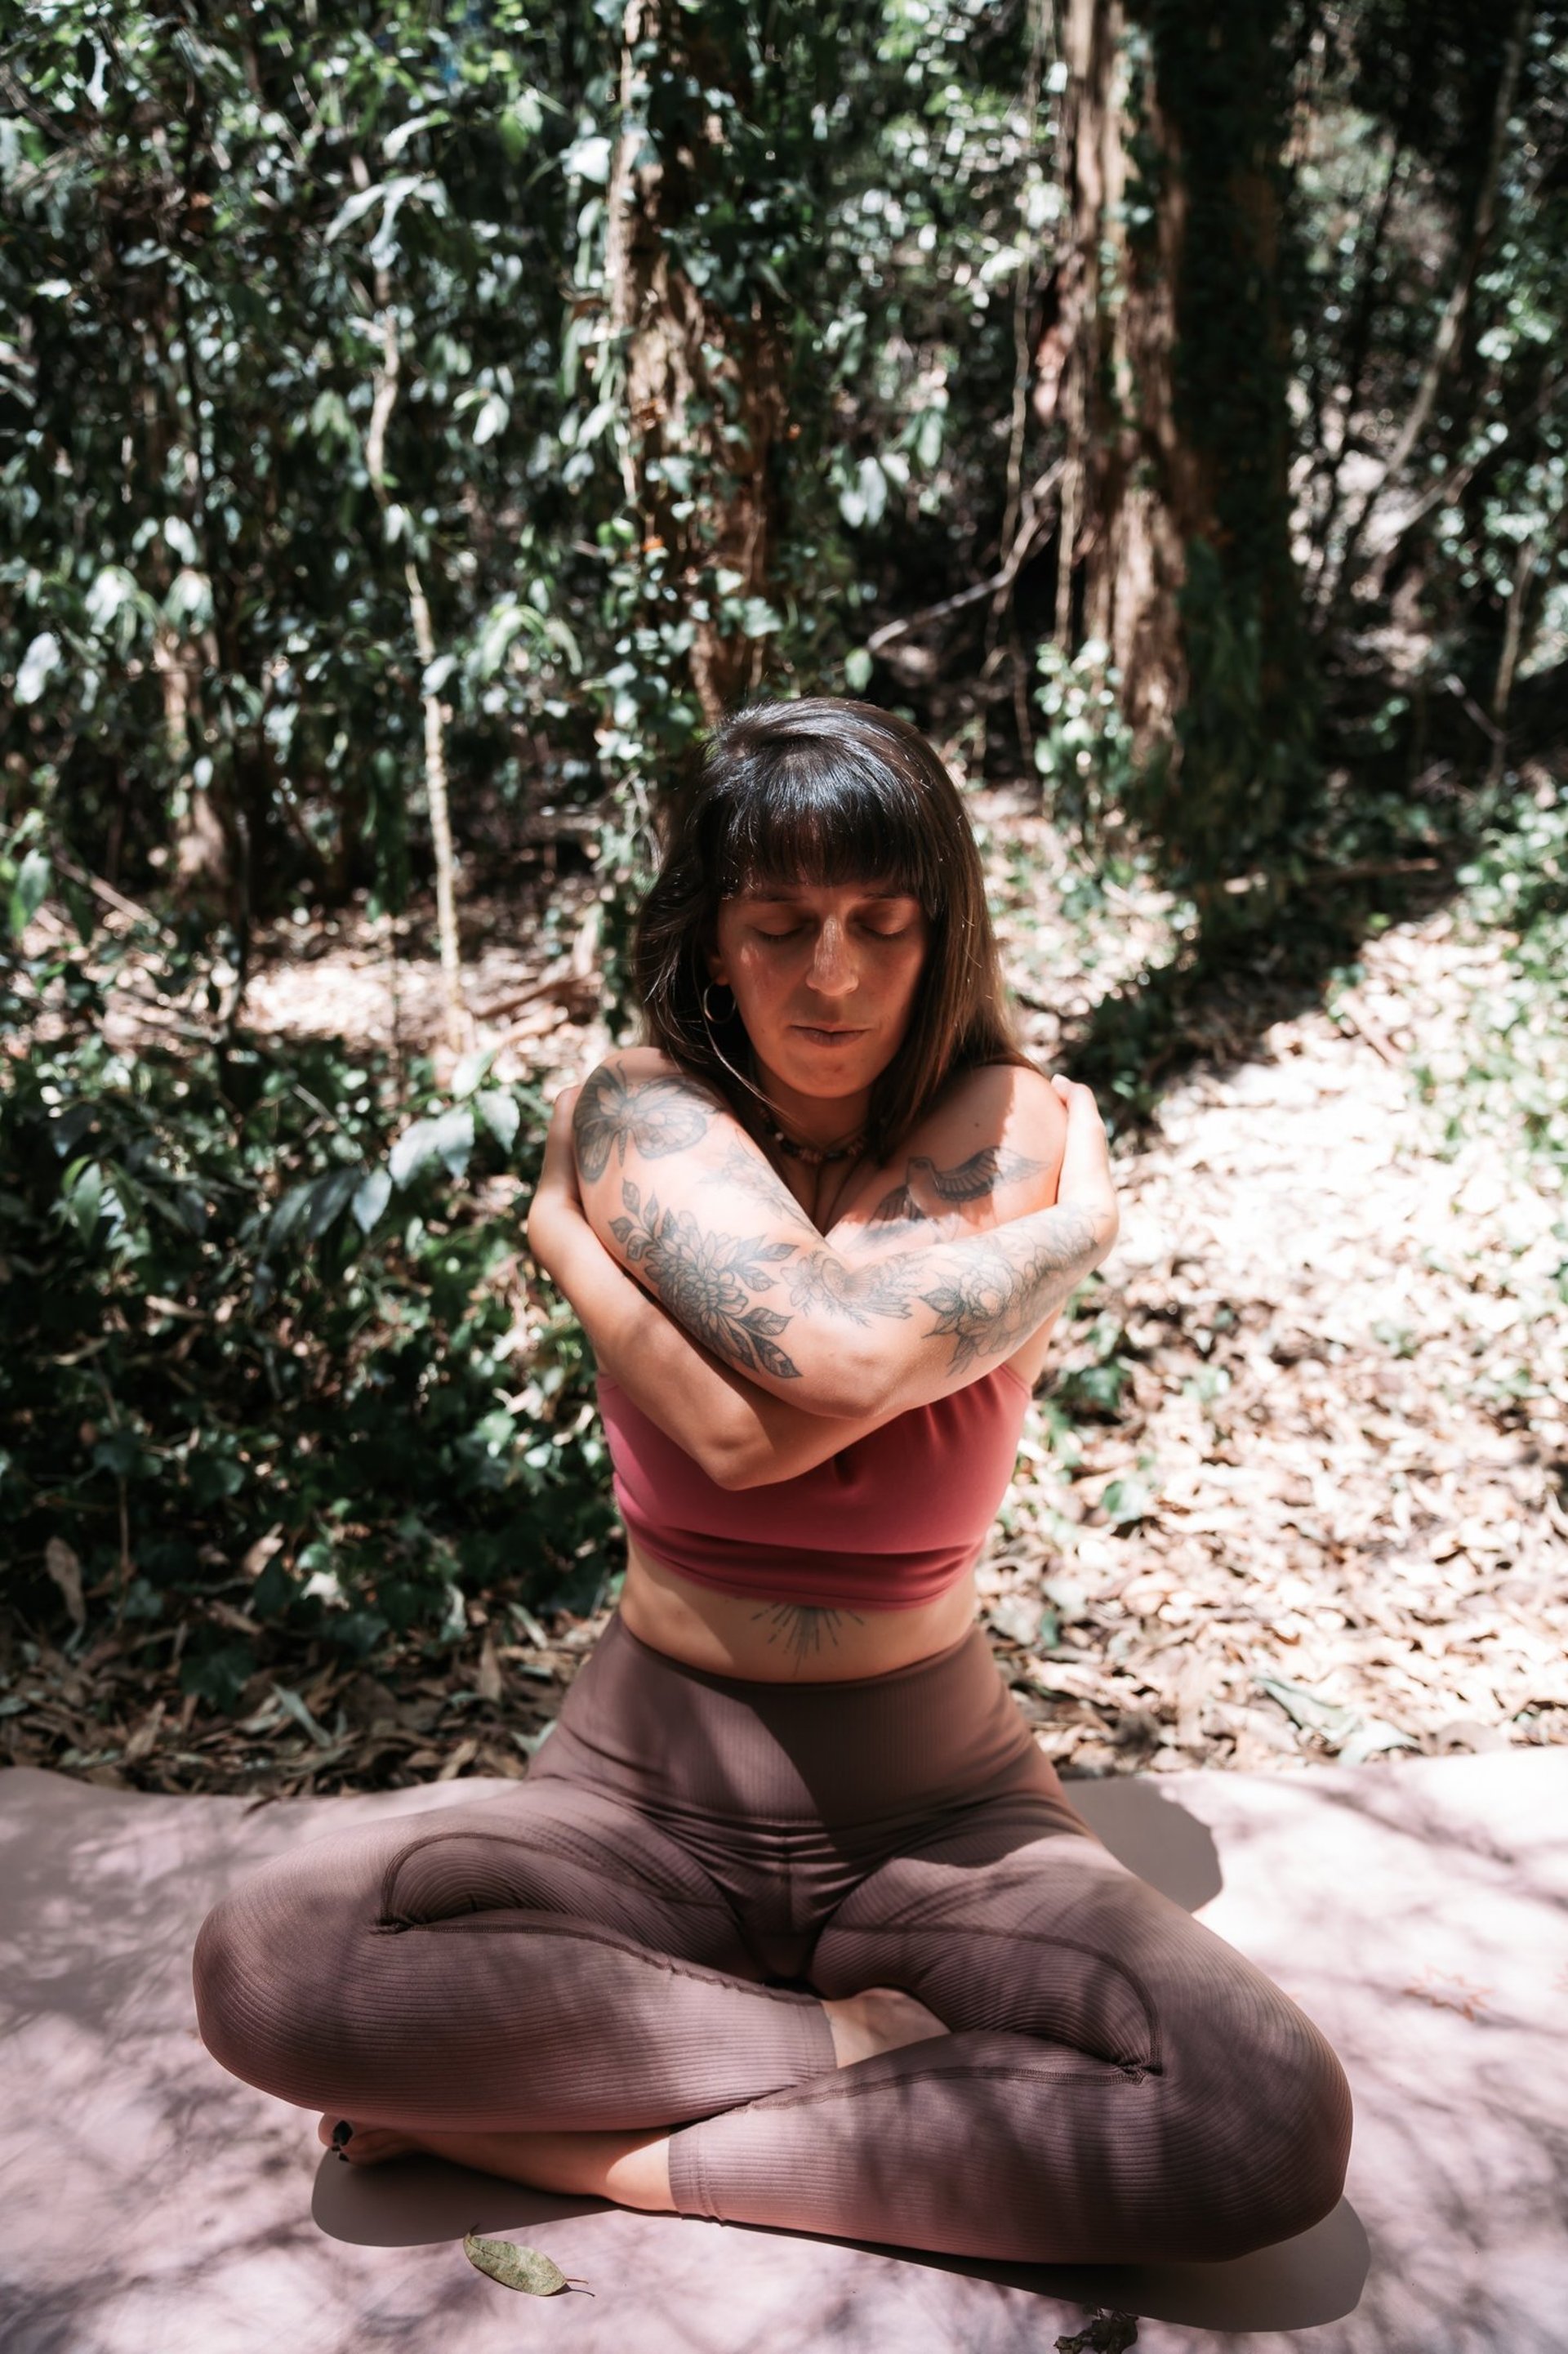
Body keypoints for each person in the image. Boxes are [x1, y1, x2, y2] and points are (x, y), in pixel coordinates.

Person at [192, 698, 1352, 2265]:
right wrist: (1068, 1239)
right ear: (711, 939)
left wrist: (575, 1247)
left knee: (1258, 2112)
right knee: (273, 1961)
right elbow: (799, 1386)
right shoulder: (644, 1107)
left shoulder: (1007, 1120)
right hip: (635, 1803)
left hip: (943, 1818)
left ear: (943, 937)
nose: (835, 975)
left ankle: (587, 2150)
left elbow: (814, 1381)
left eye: (885, 922)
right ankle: (833, 2060)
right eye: (781, 922)